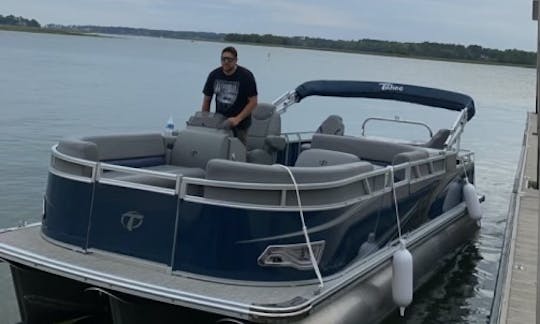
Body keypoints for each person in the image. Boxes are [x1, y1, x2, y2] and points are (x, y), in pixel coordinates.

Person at [202, 46, 258, 145]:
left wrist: (238, 119)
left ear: (236, 60)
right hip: (219, 121)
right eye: (223, 59)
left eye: (229, 59)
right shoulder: (214, 75)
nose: (226, 62)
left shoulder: (246, 76)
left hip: (240, 125)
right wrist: (205, 120)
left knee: (238, 152)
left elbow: (253, 102)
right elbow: (207, 100)